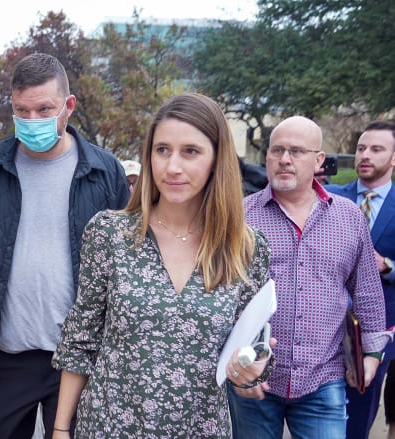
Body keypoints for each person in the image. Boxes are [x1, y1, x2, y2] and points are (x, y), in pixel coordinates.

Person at [51, 93, 274, 439]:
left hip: (201, 429)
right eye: (162, 150)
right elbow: (80, 341)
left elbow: (254, 346)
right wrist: (61, 429)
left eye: (191, 151)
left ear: (217, 159)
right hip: (110, 428)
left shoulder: (246, 248)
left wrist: (251, 372)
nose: (172, 167)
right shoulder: (109, 234)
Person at [0, 53, 130, 439]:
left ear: (69, 106)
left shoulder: (105, 170)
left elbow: (126, 262)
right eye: (21, 111)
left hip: (80, 361)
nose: (31, 122)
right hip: (2, 360)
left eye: (43, 109)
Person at [229, 116, 391, 438]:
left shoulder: (348, 217)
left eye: (297, 151)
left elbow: (368, 293)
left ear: (318, 160)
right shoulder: (240, 215)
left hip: (323, 380)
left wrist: (371, 354)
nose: (285, 159)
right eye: (277, 151)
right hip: (255, 377)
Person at [326, 120, 395, 439]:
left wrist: (388, 266)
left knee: (356, 423)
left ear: (393, 158)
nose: (365, 155)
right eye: (361, 148)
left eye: (376, 149)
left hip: (373, 336)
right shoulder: (328, 198)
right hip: (321, 329)